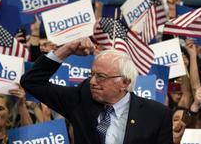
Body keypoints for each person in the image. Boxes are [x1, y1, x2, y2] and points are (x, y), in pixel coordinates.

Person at [20, 37, 173, 144]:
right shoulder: (80, 100)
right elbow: (32, 82)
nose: (92, 82)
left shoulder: (157, 114)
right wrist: (67, 50)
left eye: (101, 76)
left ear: (125, 83)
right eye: (92, 74)